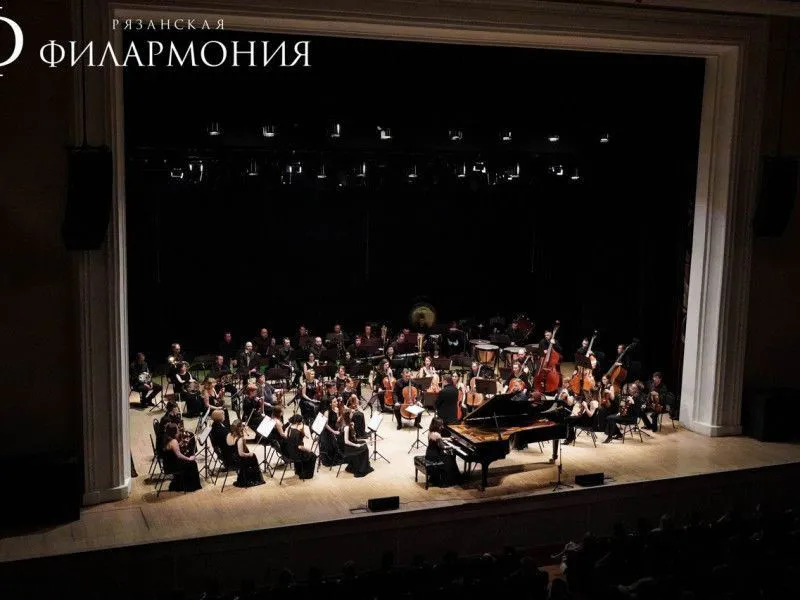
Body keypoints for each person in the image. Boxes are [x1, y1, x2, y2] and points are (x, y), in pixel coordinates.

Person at [161, 422, 202, 492]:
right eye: (177, 431)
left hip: (167, 463)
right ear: (174, 432)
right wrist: (189, 459)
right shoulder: (174, 441)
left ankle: (183, 483)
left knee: (189, 461)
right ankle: (190, 486)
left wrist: (181, 443)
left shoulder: (167, 438)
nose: (178, 432)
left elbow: (173, 449)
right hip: (172, 466)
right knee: (192, 463)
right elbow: (179, 455)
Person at [226, 420, 265, 487]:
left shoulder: (229, 435)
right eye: (242, 426)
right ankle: (251, 478)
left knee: (250, 455)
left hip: (230, 458)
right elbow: (241, 454)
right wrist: (249, 454)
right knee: (253, 456)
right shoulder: (239, 439)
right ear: (240, 428)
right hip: (238, 460)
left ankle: (247, 476)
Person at [425, 417, 461, 487]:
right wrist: (453, 447)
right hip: (435, 457)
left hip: (429, 454)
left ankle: (436, 478)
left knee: (449, 457)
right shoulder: (437, 435)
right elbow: (443, 447)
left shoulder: (430, 432)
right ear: (438, 425)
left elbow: (437, 440)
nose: (442, 426)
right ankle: (449, 481)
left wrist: (447, 439)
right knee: (451, 459)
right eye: (441, 425)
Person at [338, 411, 373, 477]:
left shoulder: (350, 424)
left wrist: (361, 440)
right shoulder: (346, 427)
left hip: (351, 443)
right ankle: (361, 469)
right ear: (348, 416)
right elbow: (346, 441)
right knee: (365, 449)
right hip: (347, 447)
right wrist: (356, 445)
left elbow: (353, 438)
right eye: (351, 414)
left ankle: (360, 466)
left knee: (364, 443)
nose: (353, 414)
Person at [284, 414, 316, 479]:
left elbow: (287, 439)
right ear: (299, 422)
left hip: (288, 452)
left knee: (306, 453)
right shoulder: (298, 432)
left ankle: (298, 471)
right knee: (313, 455)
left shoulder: (289, 428)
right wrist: (308, 450)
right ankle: (305, 474)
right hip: (296, 454)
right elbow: (300, 447)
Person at [319, 397, 342, 466]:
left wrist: (341, 416)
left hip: (334, 429)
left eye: (336, 401)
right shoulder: (327, 412)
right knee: (331, 448)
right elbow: (325, 425)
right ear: (330, 404)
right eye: (334, 402)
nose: (336, 403)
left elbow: (336, 421)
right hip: (327, 431)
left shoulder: (337, 409)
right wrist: (334, 432)